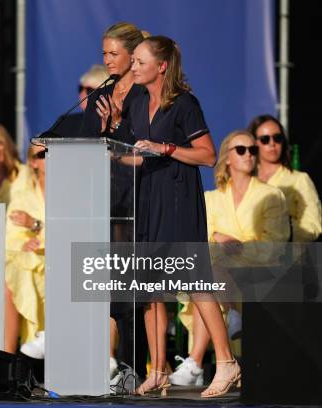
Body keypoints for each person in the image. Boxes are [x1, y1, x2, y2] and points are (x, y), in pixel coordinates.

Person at [127, 35, 239, 398]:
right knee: (150, 287)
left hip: (178, 199)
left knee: (195, 281)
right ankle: (157, 370)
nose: (133, 67)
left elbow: (207, 155)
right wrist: (111, 156)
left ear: (161, 66)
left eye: (140, 61)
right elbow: (142, 156)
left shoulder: (185, 104)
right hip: (149, 199)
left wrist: (167, 147)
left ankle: (226, 363)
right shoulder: (139, 101)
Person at [170, 130, 289, 387]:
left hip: (258, 270)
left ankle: (195, 362)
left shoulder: (272, 195)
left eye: (252, 150)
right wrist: (217, 238)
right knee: (205, 271)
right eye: (241, 150)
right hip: (218, 269)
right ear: (226, 158)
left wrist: (233, 245)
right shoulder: (211, 199)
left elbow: (276, 243)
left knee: (206, 275)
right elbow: (200, 237)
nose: (249, 155)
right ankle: (233, 314)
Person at [82, 21, 150, 384]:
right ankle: (103, 361)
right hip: (105, 201)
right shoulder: (98, 96)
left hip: (140, 199)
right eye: (103, 53)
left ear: (132, 54)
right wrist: (104, 131)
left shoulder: (146, 94)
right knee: (105, 287)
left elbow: (145, 148)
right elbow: (89, 147)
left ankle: (136, 366)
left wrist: (117, 128)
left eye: (114, 54)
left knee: (132, 289)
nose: (107, 60)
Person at [247, 114, 321, 242]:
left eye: (277, 138)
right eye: (265, 139)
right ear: (254, 143)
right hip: (245, 255)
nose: (272, 143)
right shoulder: (245, 179)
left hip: (285, 257)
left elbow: (313, 226)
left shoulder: (299, 179)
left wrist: (283, 229)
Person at [3, 143, 46, 355]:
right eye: (43, 154)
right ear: (33, 162)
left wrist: (35, 225)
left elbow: (75, 229)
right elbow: (10, 236)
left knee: (14, 272)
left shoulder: (71, 191)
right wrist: (23, 243)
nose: (50, 157)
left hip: (63, 259)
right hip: (30, 259)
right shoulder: (21, 196)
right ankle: (7, 358)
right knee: (11, 271)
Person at [54, 64, 109, 137]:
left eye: (89, 90)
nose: (82, 94)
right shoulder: (66, 122)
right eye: (81, 88)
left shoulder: (116, 124)